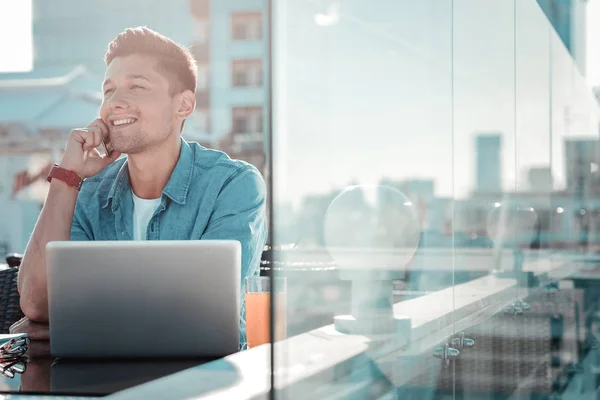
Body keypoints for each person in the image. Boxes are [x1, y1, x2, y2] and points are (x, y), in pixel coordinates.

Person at [10, 27, 268, 349]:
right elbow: (37, 305)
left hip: (205, 381)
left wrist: (74, 326)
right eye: (108, 91)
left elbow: (204, 315)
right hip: (99, 383)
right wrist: (67, 177)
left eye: (137, 87)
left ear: (183, 106)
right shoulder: (88, 191)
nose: (115, 103)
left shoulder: (233, 185)